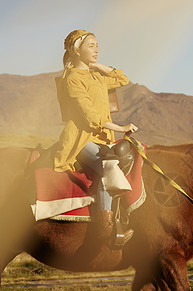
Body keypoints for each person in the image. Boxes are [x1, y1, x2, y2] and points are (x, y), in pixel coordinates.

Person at [54, 29, 137, 244]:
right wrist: (121, 127)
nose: (96, 49)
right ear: (76, 49)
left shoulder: (97, 76)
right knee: (108, 168)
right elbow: (91, 118)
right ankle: (106, 230)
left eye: (97, 45)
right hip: (81, 139)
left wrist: (96, 66)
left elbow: (122, 79)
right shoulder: (72, 78)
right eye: (91, 45)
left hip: (102, 138)